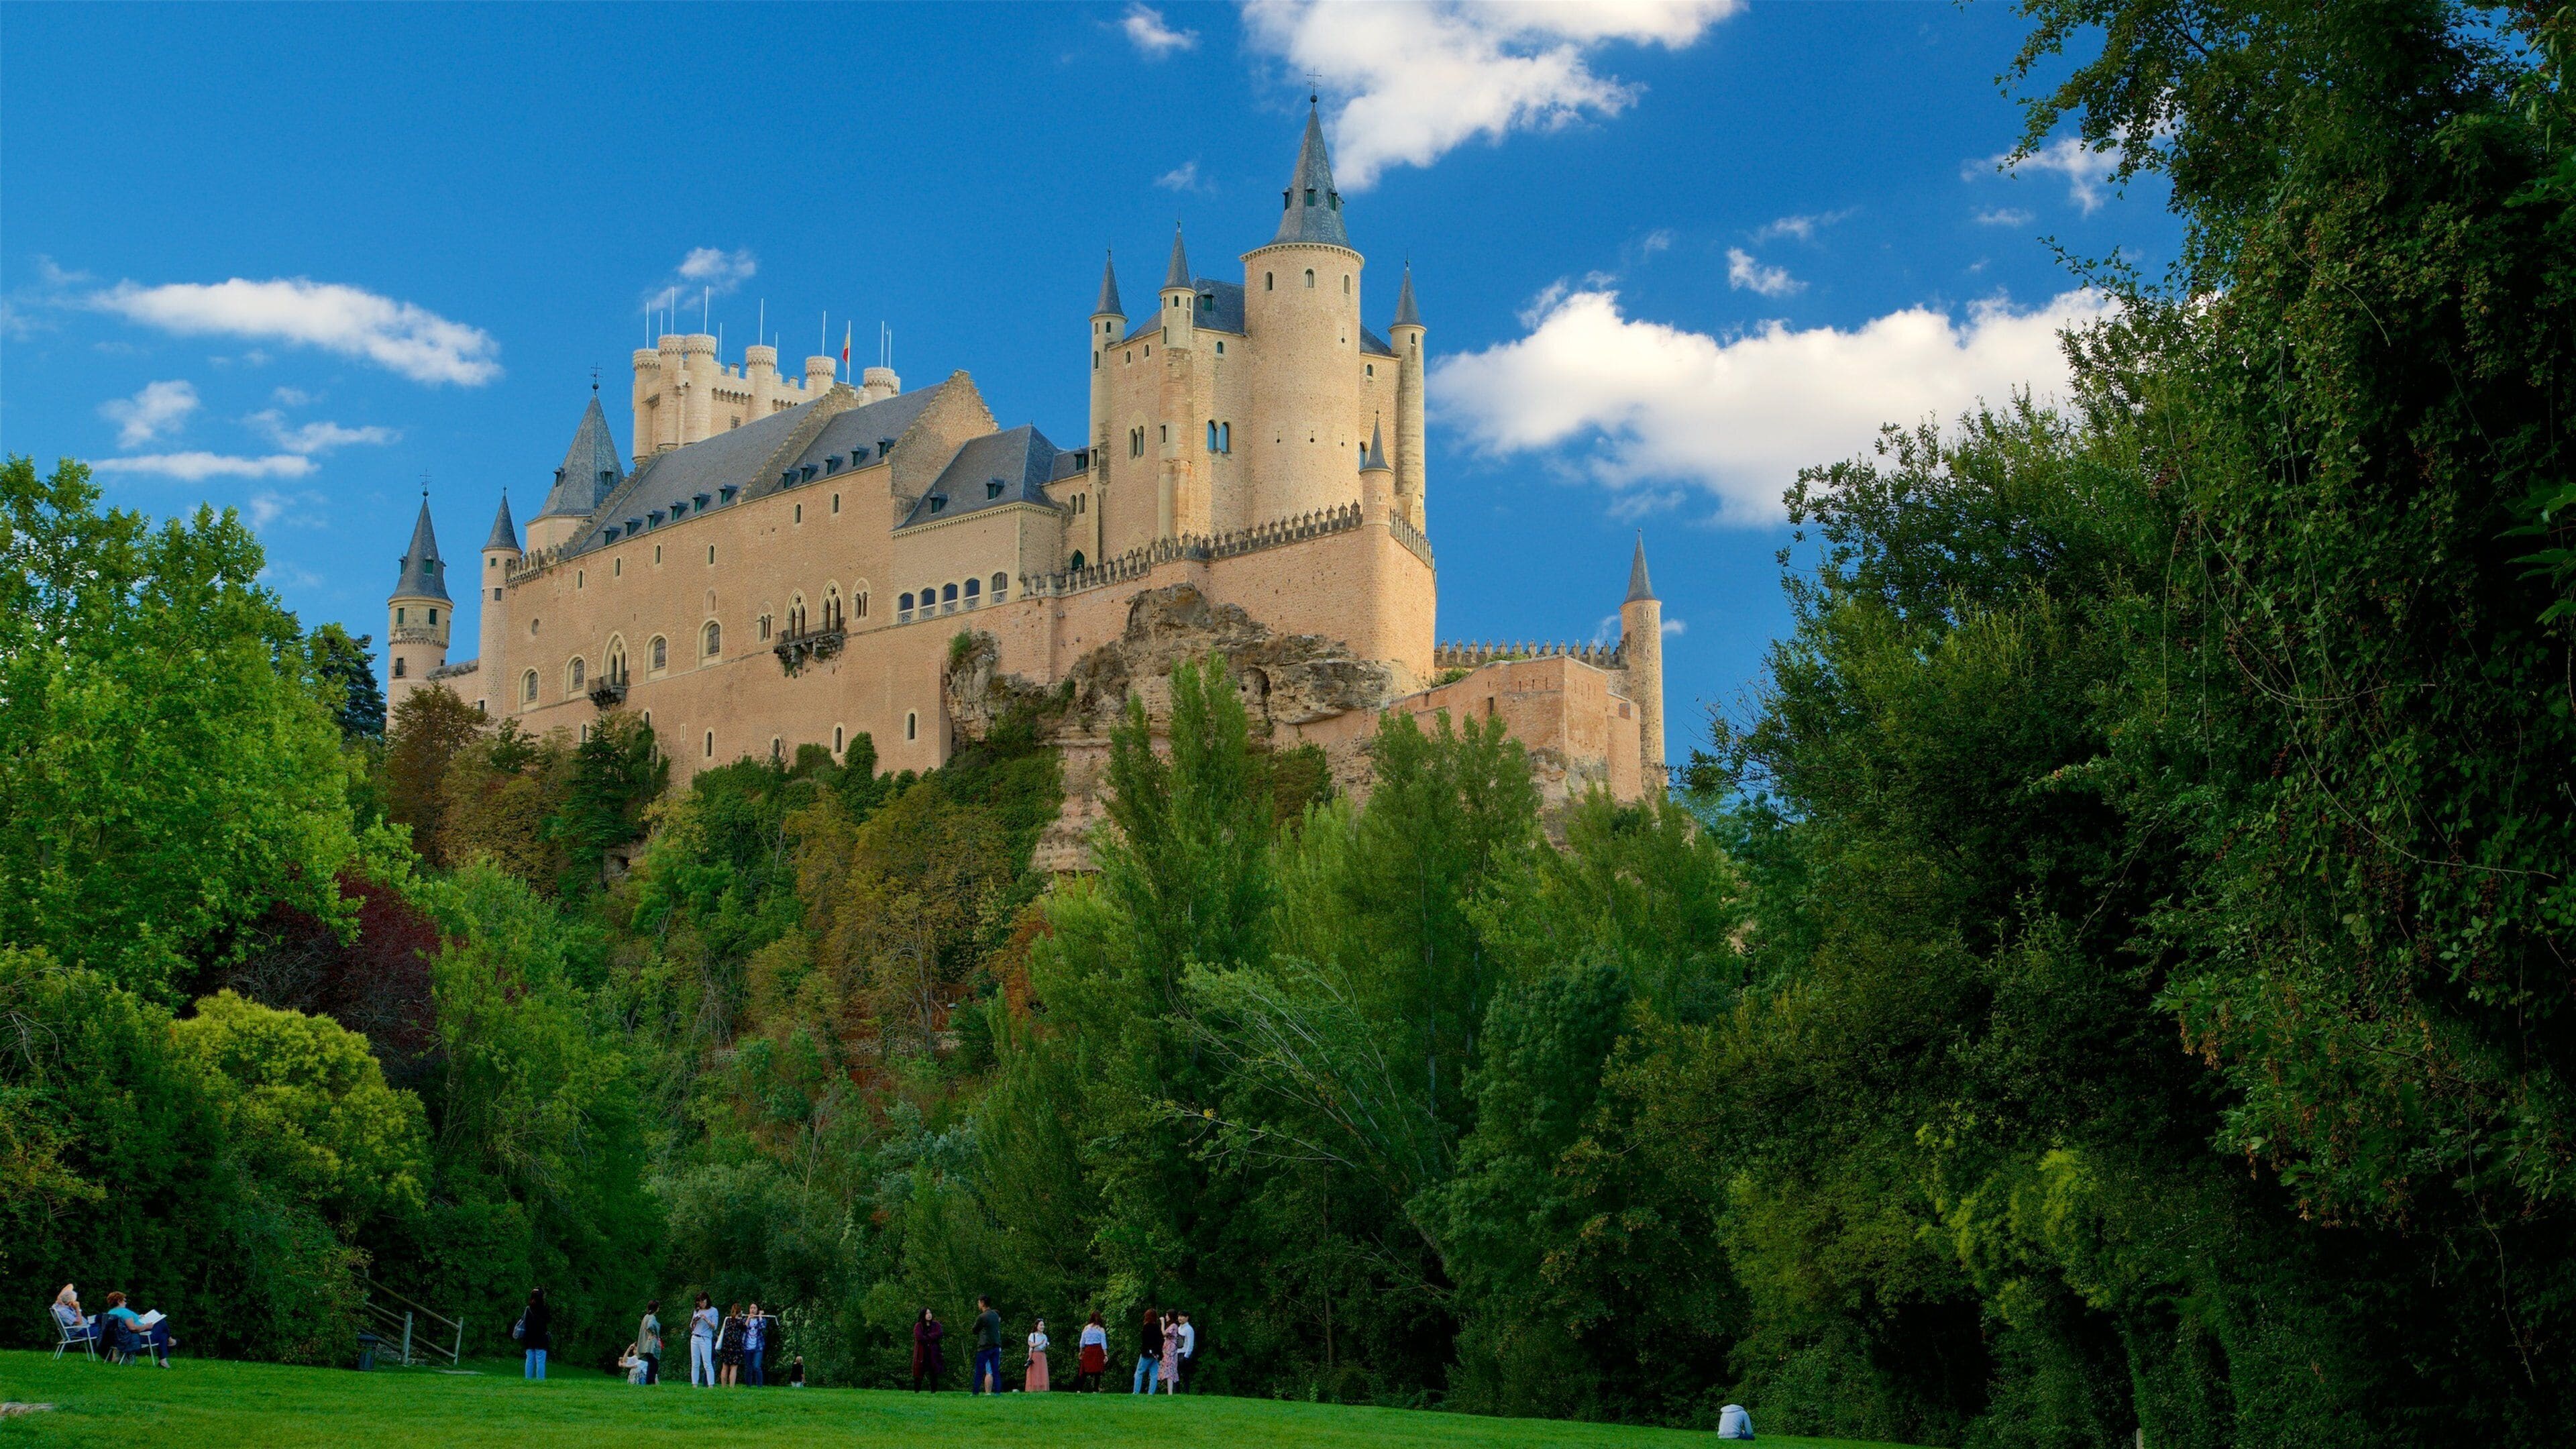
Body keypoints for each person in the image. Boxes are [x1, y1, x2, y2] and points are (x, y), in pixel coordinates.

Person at [101, 1291, 172, 1366]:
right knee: (162, 1323)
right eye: (124, 1300)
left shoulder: (111, 1312)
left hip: (119, 1339)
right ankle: (170, 1341)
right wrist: (146, 1326)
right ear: (119, 1301)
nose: (126, 1303)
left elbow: (123, 1324)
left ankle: (163, 1361)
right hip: (135, 1338)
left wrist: (138, 1317)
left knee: (163, 1336)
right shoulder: (124, 1312)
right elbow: (132, 1328)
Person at [971, 1295, 1004, 1394]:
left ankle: (975, 1392)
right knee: (995, 1371)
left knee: (979, 1370)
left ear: (982, 1303)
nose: (978, 1304)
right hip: (996, 1345)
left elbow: (974, 1330)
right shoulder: (995, 1315)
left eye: (979, 1302)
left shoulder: (982, 1316)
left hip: (985, 1346)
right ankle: (998, 1392)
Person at [517, 1288, 551, 1380]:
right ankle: (540, 1380)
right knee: (540, 1361)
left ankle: (528, 1379)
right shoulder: (544, 1308)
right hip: (541, 1337)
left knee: (529, 1360)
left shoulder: (528, 1309)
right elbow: (548, 1320)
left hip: (529, 1337)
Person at [51, 1285, 99, 1351]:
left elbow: (70, 1286)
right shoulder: (63, 1312)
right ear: (71, 1302)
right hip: (81, 1331)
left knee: (104, 1320)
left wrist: (60, 1299)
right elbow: (79, 1323)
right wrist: (77, 1308)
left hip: (86, 1326)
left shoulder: (59, 1304)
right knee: (106, 1330)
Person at [688, 1293, 719, 1387]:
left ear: (707, 1300)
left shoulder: (713, 1311)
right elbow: (691, 1326)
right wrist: (695, 1321)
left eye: (703, 1302)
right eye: (699, 1302)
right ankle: (694, 1384)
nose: (701, 1304)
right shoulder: (697, 1310)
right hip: (695, 1337)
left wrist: (706, 1319)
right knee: (695, 1363)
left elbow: (714, 1327)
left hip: (705, 1338)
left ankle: (711, 1385)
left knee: (707, 1363)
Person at [911, 1307, 945, 1391]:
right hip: (922, 1353)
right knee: (919, 1373)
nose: (929, 1315)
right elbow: (919, 1337)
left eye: (930, 1313)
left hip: (933, 1352)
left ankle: (934, 1391)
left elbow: (939, 1334)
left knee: (934, 1373)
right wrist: (930, 1338)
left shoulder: (936, 1325)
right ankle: (917, 1391)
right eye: (927, 1313)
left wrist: (928, 1336)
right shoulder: (918, 1326)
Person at [1132, 1306, 1162, 1394]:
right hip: (1156, 1354)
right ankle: (1151, 1393)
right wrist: (1158, 1353)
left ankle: (1136, 1392)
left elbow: (1146, 1341)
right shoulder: (1157, 1327)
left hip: (1147, 1353)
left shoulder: (1146, 1327)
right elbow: (1160, 1341)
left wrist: (1147, 1351)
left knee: (1139, 1372)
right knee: (1154, 1374)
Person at [1076, 1311, 1108, 1392]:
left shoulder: (1086, 1328)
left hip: (1088, 1350)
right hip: (1097, 1350)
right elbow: (1103, 1344)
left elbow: (1082, 1342)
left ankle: (1079, 1389)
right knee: (1097, 1370)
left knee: (1084, 1370)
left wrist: (1081, 1352)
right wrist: (1106, 1355)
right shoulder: (1101, 1329)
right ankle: (1095, 1389)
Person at [717, 1302, 747, 1386]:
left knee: (725, 1367)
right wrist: (748, 1319)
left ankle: (723, 1386)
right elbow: (745, 1328)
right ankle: (732, 1386)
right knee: (734, 1367)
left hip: (726, 1346)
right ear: (740, 1311)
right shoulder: (740, 1322)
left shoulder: (728, 1320)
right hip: (736, 1347)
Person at [637, 1299, 663, 1385]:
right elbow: (650, 1326)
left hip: (645, 1344)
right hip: (650, 1345)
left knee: (651, 1364)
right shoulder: (652, 1318)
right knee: (654, 1364)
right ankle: (650, 1382)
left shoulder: (646, 1317)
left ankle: (650, 1382)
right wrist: (653, 1333)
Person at [743, 1300, 767, 1387]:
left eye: (754, 1308)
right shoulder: (746, 1319)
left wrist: (760, 1316)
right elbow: (743, 1329)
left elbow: (763, 1327)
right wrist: (748, 1319)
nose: (753, 1310)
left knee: (757, 1367)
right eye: (751, 1308)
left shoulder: (761, 1319)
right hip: (747, 1347)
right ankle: (748, 1385)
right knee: (748, 1368)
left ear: (757, 1310)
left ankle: (759, 1385)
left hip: (758, 1347)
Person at [1024, 1318, 1051, 1393]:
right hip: (1035, 1355)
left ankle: (1043, 1388)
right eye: (1041, 1325)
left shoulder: (1045, 1336)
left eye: (1043, 1325)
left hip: (1042, 1355)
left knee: (1042, 1372)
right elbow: (1031, 1344)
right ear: (1036, 1326)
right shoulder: (1033, 1335)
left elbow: (1044, 1346)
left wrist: (1046, 1345)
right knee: (1034, 1373)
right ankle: (1033, 1388)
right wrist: (1040, 1343)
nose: (1043, 1327)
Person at [1157, 1309, 1179, 1394]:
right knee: (1168, 1368)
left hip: (1170, 1350)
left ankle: (1170, 1392)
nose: (1166, 1317)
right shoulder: (1173, 1326)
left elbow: (1164, 1333)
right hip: (1168, 1349)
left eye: (1167, 1315)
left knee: (1170, 1368)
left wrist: (1162, 1323)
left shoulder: (1173, 1326)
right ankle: (1169, 1392)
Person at [1174, 1309, 1197, 1391]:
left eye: (1182, 1316)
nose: (1180, 1318)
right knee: (1176, 1375)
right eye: (1179, 1316)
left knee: (1185, 1375)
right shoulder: (1179, 1328)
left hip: (1184, 1354)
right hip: (1177, 1353)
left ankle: (1186, 1392)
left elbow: (1190, 1344)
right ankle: (1177, 1392)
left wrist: (1186, 1356)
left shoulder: (1189, 1329)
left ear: (1187, 1318)